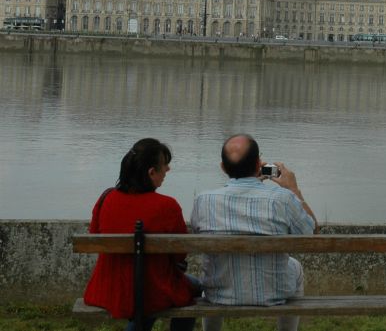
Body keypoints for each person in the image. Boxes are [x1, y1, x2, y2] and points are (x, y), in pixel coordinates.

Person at [191, 134, 317, 331]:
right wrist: (294, 189)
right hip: (273, 292)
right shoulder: (283, 199)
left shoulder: (203, 201)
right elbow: (310, 234)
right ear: (259, 164)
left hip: (219, 293)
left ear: (223, 168)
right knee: (296, 267)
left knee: (213, 264)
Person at [83, 138, 199, 331]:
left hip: (108, 289)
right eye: (164, 165)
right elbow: (180, 254)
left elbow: (96, 237)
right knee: (194, 286)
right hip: (152, 290)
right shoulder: (167, 206)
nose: (168, 170)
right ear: (151, 172)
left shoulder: (105, 199)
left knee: (146, 297)